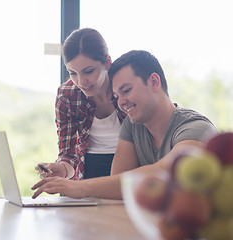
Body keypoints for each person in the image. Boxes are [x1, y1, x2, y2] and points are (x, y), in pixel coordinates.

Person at [32, 50, 217, 200]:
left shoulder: (196, 128)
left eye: (126, 90)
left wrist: (80, 187)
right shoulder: (132, 125)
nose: (121, 103)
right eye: (117, 95)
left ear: (153, 82)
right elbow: (118, 186)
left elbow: (166, 170)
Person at [36, 28, 126, 180]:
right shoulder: (67, 95)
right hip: (86, 177)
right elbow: (68, 154)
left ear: (107, 63)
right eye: (72, 73)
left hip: (130, 172)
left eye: (89, 71)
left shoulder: (126, 87)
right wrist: (61, 171)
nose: (81, 81)